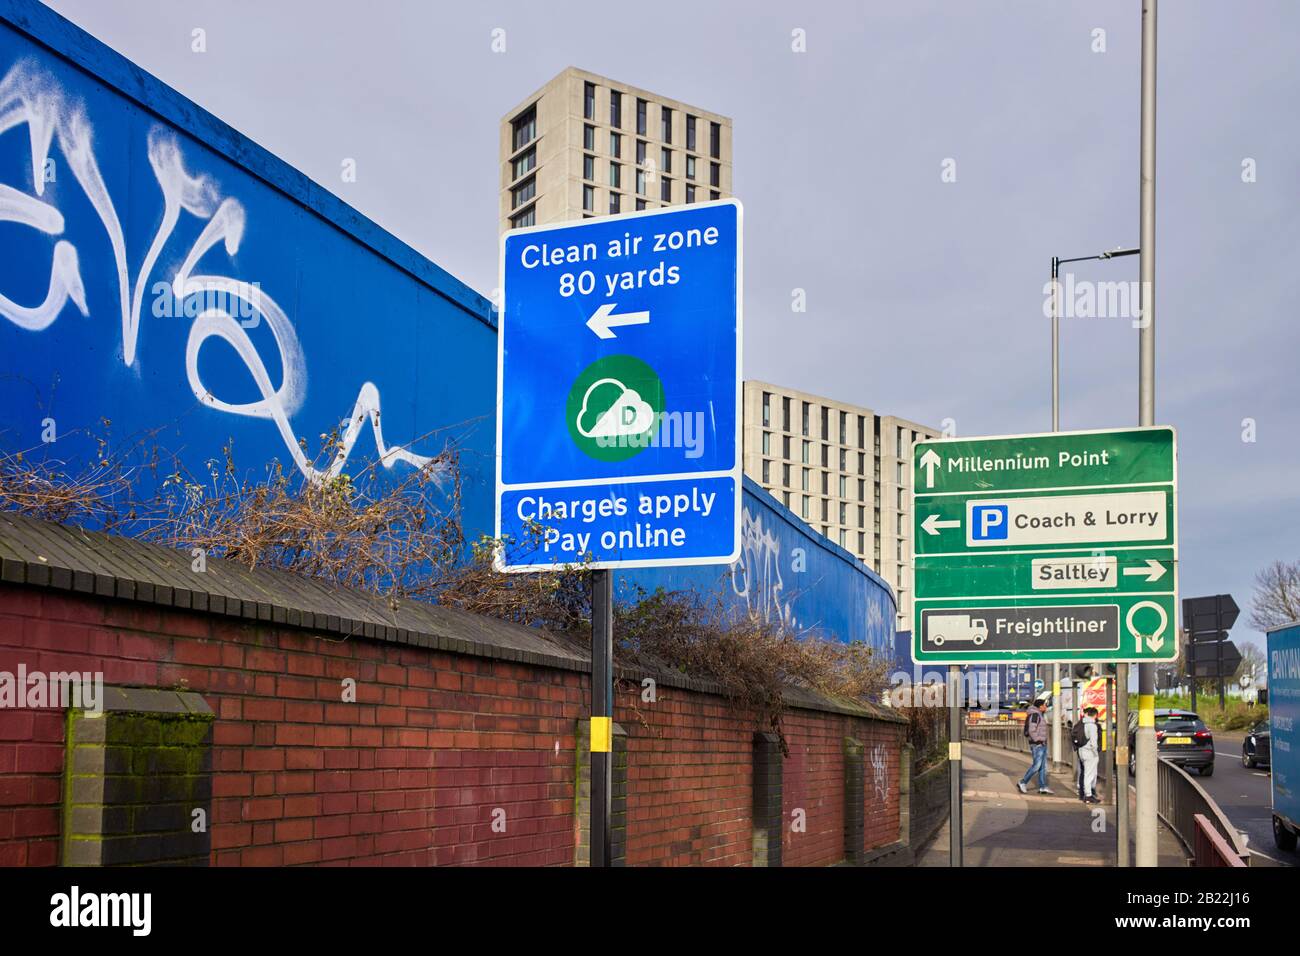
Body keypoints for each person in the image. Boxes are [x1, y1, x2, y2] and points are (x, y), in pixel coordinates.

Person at [1017, 698, 1053, 794]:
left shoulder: (1039, 715)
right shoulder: (1035, 715)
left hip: (1042, 744)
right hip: (1038, 744)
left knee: (1043, 767)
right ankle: (1023, 782)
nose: (1046, 707)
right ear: (1040, 706)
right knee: (1037, 766)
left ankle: (1042, 787)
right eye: (1044, 705)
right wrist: (1038, 740)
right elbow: (1032, 730)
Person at [1078, 707, 1101, 804]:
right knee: (1089, 775)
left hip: (1082, 751)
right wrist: (1096, 754)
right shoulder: (1092, 726)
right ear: (1095, 715)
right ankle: (1088, 795)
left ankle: (1087, 794)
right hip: (1090, 753)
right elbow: (1093, 742)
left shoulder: (1082, 724)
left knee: (1087, 773)